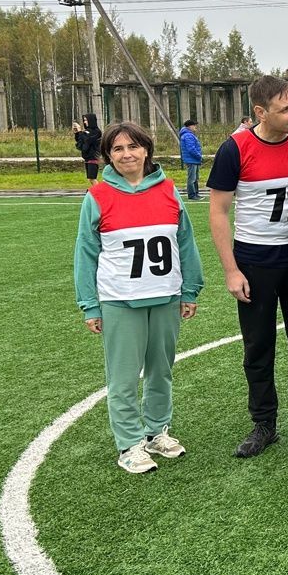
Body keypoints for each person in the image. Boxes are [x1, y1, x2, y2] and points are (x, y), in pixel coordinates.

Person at [207, 75, 288, 458]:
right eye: (285, 109)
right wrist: (231, 270)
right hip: (255, 260)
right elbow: (218, 211)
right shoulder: (236, 148)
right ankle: (264, 422)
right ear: (260, 112)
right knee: (258, 345)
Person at [75, 121, 203, 474]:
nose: (127, 154)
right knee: (124, 378)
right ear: (108, 156)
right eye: (117, 149)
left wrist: (190, 289)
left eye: (133, 146)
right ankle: (129, 443)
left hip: (165, 297)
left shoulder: (169, 191)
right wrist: (89, 304)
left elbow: (185, 242)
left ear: (146, 150)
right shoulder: (98, 197)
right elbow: (85, 252)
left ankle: (156, 432)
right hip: (120, 301)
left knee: (161, 372)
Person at [73, 113, 102, 187]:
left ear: (91, 120)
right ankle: (97, 191)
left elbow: (87, 140)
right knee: (90, 179)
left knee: (92, 178)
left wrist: (80, 132)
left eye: (86, 120)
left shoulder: (96, 132)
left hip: (93, 157)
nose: (85, 122)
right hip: (87, 157)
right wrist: (77, 133)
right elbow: (80, 142)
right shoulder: (86, 132)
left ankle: (99, 191)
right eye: (84, 120)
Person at [179, 119, 202, 201]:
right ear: (189, 126)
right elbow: (191, 149)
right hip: (191, 159)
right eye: (194, 125)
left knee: (195, 178)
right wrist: (199, 156)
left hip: (193, 159)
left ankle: (195, 193)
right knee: (192, 178)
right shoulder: (188, 135)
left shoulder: (189, 135)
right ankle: (192, 195)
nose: (195, 127)